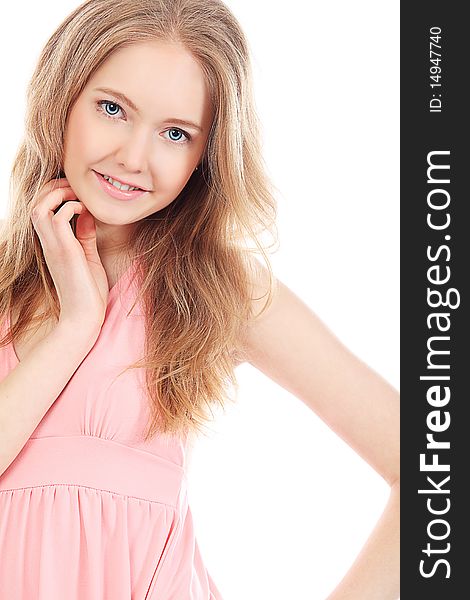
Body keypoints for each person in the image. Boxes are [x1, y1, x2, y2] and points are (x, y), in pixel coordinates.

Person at [0, 0, 400, 598]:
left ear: (206, 155)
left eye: (175, 133)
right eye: (113, 108)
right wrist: (76, 327)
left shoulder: (220, 291)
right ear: (62, 99)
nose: (134, 158)